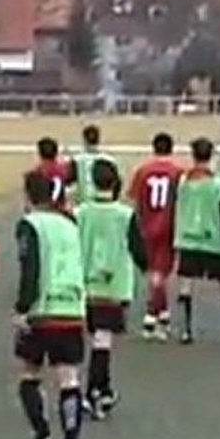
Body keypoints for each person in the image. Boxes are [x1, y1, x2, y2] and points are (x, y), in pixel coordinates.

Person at [13, 171, 87, 439]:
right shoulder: (70, 223)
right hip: (71, 306)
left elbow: (30, 268)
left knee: (30, 373)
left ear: (29, 194)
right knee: (68, 377)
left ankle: (41, 433)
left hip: (42, 309)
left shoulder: (29, 225)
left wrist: (21, 308)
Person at [75, 159, 147, 421]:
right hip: (114, 286)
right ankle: (95, 392)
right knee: (102, 341)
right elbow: (139, 250)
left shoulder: (80, 212)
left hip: (85, 284)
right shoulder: (125, 215)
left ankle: (100, 390)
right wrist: (147, 266)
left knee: (95, 337)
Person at [173, 137, 220, 344]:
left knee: (185, 283)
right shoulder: (219, 185)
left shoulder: (183, 183)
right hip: (215, 241)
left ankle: (186, 330)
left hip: (188, 239)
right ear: (211, 155)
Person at [128, 132, 184, 341]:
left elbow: (135, 199)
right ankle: (156, 316)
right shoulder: (178, 172)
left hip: (147, 226)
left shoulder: (143, 171)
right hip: (170, 227)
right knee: (160, 273)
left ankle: (158, 314)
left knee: (155, 272)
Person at [71, 125, 117, 205]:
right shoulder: (109, 160)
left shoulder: (76, 160)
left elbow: (71, 183)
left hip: (83, 204)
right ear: (99, 139)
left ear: (84, 140)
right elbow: (116, 184)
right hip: (105, 203)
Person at [33, 136, 73, 211]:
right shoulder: (63, 169)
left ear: (40, 154)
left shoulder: (38, 171)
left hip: (45, 208)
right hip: (61, 207)